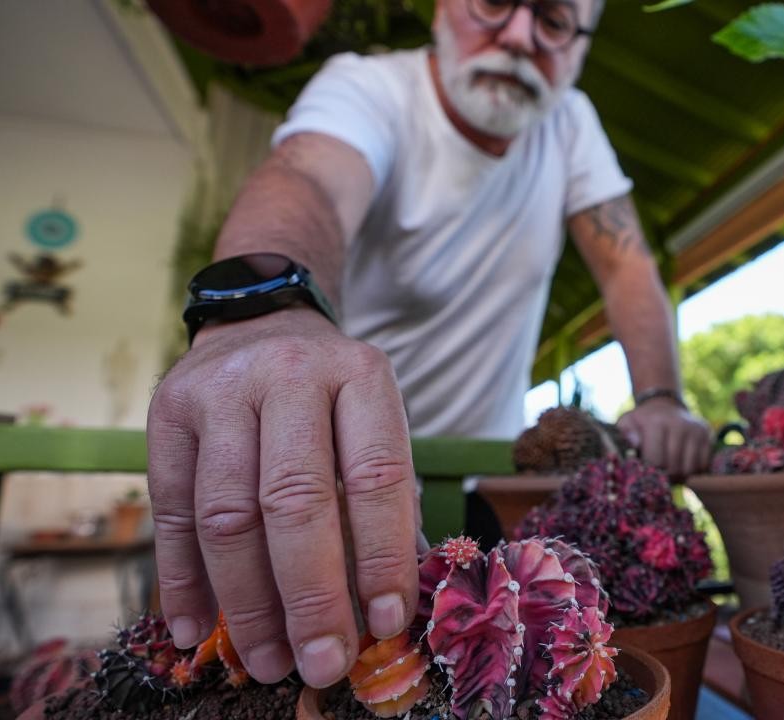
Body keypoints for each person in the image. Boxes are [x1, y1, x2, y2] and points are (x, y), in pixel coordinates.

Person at [146, 0, 711, 694]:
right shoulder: (371, 88)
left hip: (486, 495)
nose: (520, 35)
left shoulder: (570, 124)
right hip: (331, 482)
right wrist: (264, 312)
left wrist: (660, 398)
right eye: (495, 3)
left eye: (557, 20)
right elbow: (308, 180)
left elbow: (625, 265)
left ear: (582, 45)